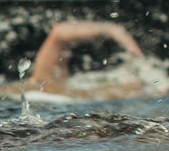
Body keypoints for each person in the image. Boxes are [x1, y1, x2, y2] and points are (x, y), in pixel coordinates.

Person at [21, 20, 157, 99]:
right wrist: (113, 31)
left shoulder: (43, 81)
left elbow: (59, 32)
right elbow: (59, 32)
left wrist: (113, 31)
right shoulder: (45, 83)